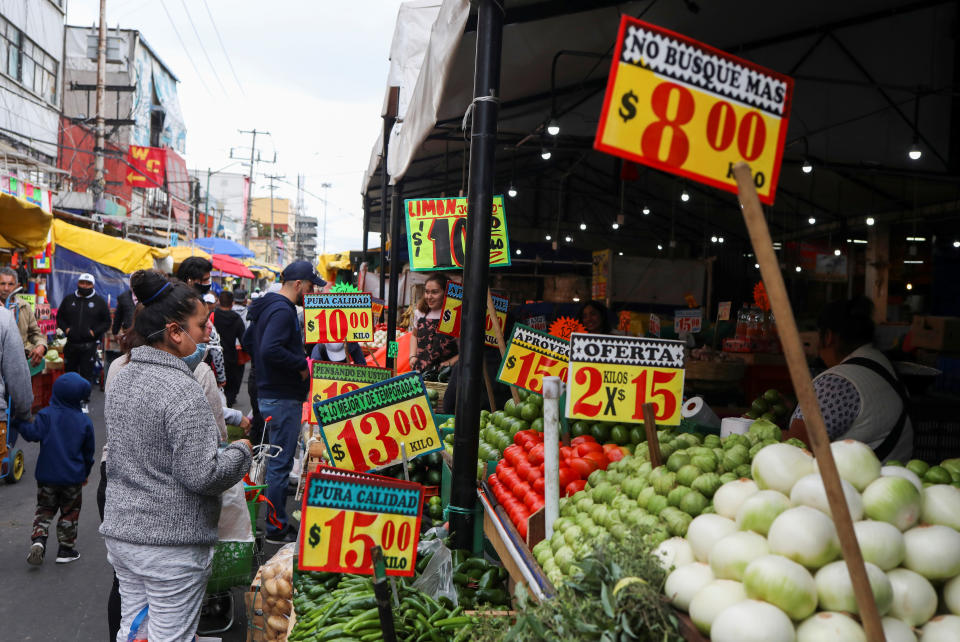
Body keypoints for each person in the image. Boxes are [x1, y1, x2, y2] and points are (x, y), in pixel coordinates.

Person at [101, 270, 252, 642]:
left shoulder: (122, 376)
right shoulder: (183, 390)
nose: (206, 333)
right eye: (201, 325)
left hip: (124, 537)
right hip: (170, 547)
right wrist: (241, 453)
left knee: (133, 629)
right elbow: (202, 474)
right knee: (170, 636)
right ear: (174, 331)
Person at [244, 261, 325, 544]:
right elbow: (269, 348)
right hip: (281, 397)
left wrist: (268, 372)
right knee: (279, 465)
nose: (312, 292)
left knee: (269, 462)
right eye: (311, 286)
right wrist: (300, 364)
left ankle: (267, 522)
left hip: (270, 392)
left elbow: (249, 340)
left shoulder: (266, 306)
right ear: (298, 284)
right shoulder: (281, 310)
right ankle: (276, 530)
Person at [786, 297, 913, 462]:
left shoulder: (835, 383)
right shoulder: (883, 365)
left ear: (829, 336)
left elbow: (797, 448)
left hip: (854, 484)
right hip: (895, 472)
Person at [18, 372, 94, 565]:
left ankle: (39, 540)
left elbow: (32, 434)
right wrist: (85, 473)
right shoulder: (84, 421)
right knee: (69, 512)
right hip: (73, 477)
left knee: (44, 509)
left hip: (47, 476)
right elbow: (88, 452)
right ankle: (65, 550)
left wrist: (18, 422)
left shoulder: (46, 415)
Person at [176, 257, 226, 387]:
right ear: (190, 280)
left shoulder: (195, 300)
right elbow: (213, 343)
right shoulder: (185, 303)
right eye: (204, 280)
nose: (208, 283)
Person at [55, 273, 110, 384]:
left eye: (88, 283)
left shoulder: (99, 302)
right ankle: (70, 398)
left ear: (93, 285)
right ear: (78, 283)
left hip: (89, 346)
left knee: (86, 375)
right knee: (70, 375)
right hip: (71, 344)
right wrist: (66, 329)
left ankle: (84, 399)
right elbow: (60, 318)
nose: (84, 286)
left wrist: (94, 332)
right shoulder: (69, 299)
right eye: (82, 283)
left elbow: (106, 322)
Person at [409, 273, 458, 373]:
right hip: (420, 372)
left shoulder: (454, 316)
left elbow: (466, 349)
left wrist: (450, 363)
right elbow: (414, 335)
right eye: (427, 292)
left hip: (444, 374)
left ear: (446, 293)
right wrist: (412, 356)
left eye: (435, 292)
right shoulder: (420, 313)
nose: (429, 296)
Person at [0, 266, 47, 365]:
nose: (6, 288)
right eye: (2, 284)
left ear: (17, 286)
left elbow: (35, 333)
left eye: (10, 284)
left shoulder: (24, 306)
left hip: (19, 359)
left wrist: (41, 345)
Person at [213, 290, 247, 407]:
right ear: (232, 303)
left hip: (214, 357)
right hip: (231, 357)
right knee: (231, 387)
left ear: (218, 302)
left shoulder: (213, 316)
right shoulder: (236, 318)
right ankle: (228, 410)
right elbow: (244, 340)